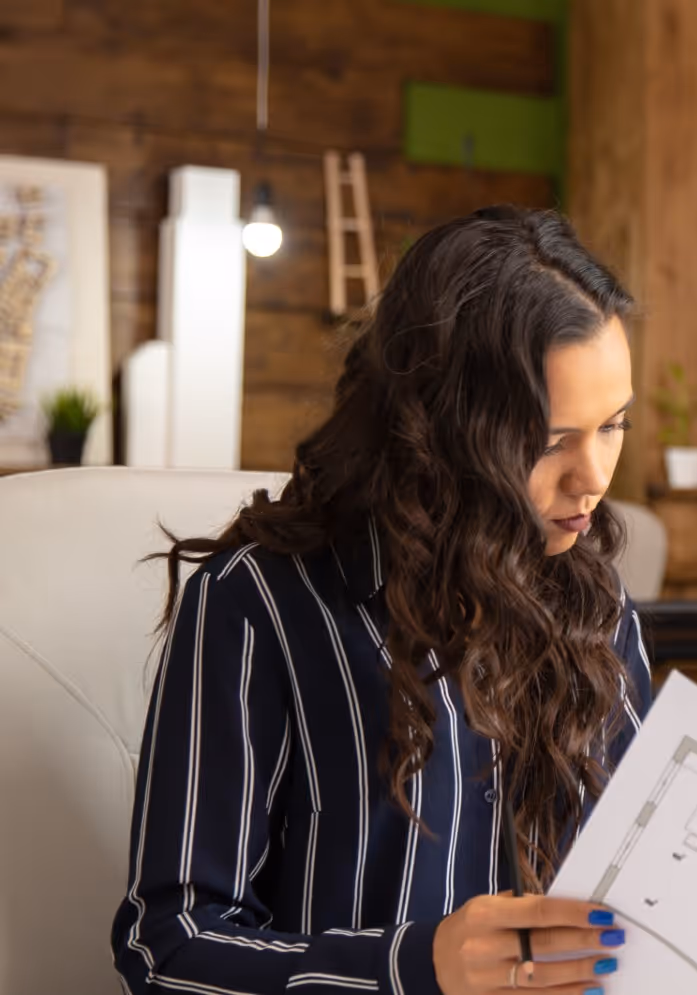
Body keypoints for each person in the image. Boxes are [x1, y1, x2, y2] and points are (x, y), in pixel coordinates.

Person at [111, 207, 651, 995]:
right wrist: (410, 966)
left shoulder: (592, 608)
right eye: (548, 440)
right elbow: (166, 947)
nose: (594, 477)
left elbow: (643, 877)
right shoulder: (258, 605)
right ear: (442, 423)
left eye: (614, 425)